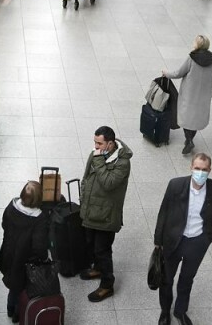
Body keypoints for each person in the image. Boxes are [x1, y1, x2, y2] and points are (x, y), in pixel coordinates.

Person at [154, 153, 212, 325]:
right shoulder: (176, 185)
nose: (200, 173)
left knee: (186, 280)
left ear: (210, 170)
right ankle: (165, 311)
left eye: (204, 170)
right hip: (173, 241)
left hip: (197, 242)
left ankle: (180, 311)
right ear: (191, 167)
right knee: (166, 279)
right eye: (197, 168)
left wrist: (209, 238)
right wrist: (158, 241)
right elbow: (163, 212)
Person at [79, 126, 133, 303]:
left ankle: (107, 284)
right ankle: (97, 268)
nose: (95, 146)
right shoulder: (97, 154)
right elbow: (87, 177)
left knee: (102, 250)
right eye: (95, 142)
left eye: (99, 143)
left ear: (110, 144)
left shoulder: (122, 163)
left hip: (106, 216)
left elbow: (108, 183)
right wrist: (83, 196)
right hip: (91, 210)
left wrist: (99, 162)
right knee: (90, 243)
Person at [0, 181, 50, 323]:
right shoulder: (39, 219)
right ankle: (17, 313)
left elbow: (4, 224)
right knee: (22, 287)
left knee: (13, 286)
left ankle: (10, 308)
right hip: (25, 261)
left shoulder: (11, 205)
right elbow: (39, 247)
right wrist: (44, 258)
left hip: (8, 254)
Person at [162, 35, 212, 154]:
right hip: (203, 96)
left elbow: (179, 73)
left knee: (186, 118)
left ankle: (189, 140)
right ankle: (190, 139)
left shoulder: (191, 59)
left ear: (198, 45)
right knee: (196, 119)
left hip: (189, 95)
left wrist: (166, 73)